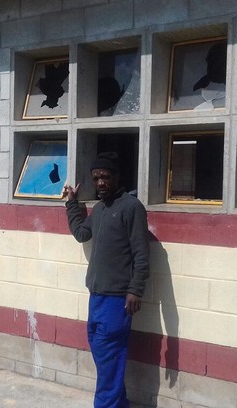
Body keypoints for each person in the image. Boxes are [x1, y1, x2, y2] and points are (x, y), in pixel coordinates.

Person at [63, 152, 150, 408]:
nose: (100, 182)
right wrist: (72, 203)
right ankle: (118, 403)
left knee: (109, 354)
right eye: (96, 178)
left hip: (117, 299)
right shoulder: (100, 210)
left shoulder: (131, 208)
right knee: (104, 356)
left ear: (117, 178)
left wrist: (136, 289)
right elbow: (81, 233)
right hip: (97, 296)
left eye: (106, 177)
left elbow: (141, 253)